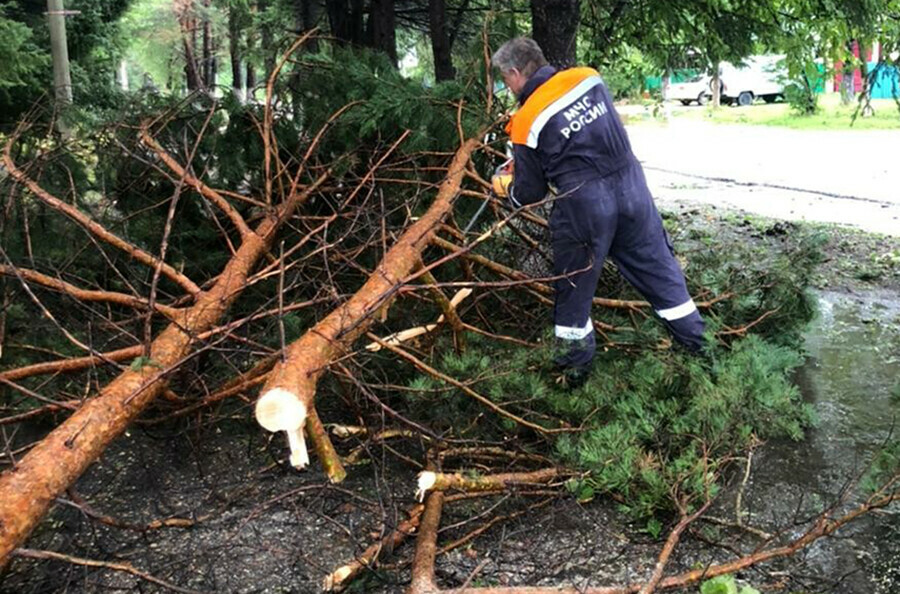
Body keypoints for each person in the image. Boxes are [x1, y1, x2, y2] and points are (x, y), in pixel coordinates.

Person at [491, 37, 705, 384]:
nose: (507, 87)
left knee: (573, 296)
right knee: (663, 279)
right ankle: (702, 354)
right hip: (633, 193)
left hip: (584, 209)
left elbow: (530, 192)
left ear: (516, 72)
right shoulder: (589, 78)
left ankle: (574, 378)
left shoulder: (526, 118)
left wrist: (504, 188)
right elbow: (585, 136)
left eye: (506, 79)